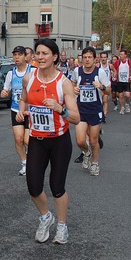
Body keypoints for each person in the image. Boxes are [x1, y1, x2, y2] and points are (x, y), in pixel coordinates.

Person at [16, 38, 80, 244]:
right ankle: (46, 217)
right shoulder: (29, 78)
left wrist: (59, 108)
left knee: (57, 186)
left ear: (54, 57)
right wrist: (21, 110)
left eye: (45, 53)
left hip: (59, 141)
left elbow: (76, 117)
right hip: (37, 139)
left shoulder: (64, 83)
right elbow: (24, 98)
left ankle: (62, 226)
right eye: (37, 53)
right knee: (33, 186)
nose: (40, 57)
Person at [73, 47, 111, 176]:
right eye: (85, 57)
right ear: (82, 59)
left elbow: (108, 91)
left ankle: (95, 164)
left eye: (89, 57)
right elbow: (72, 84)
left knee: (94, 140)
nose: (87, 60)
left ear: (95, 59)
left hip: (95, 110)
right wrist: (74, 89)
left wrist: (101, 86)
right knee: (80, 140)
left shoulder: (100, 72)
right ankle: (86, 153)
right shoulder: (77, 71)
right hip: (81, 110)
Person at [0, 45, 35, 175]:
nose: (16, 57)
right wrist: (4, 93)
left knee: (27, 140)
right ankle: (25, 163)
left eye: (19, 55)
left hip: (31, 111)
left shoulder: (33, 71)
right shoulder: (11, 73)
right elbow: (6, 90)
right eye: (15, 55)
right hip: (16, 110)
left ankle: (33, 160)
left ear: (25, 57)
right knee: (18, 139)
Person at [113, 50, 131, 114]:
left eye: (122, 54)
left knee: (127, 95)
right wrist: (114, 76)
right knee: (121, 96)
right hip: (120, 81)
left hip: (127, 81)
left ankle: (127, 104)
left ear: (125, 55)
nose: (121, 56)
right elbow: (114, 70)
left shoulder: (130, 62)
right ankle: (122, 107)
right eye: (120, 54)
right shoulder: (118, 62)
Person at [98, 52, 114, 123]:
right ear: (100, 58)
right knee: (100, 101)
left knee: (105, 100)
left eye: (105, 57)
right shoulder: (98, 65)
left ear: (107, 58)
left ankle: (104, 115)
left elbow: (115, 71)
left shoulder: (110, 66)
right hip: (100, 86)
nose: (103, 59)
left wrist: (114, 76)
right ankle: (100, 114)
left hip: (107, 85)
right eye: (102, 57)